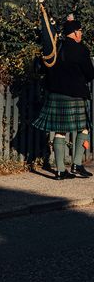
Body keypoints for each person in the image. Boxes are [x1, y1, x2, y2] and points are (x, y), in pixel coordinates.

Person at [33, 18, 94, 179]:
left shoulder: (55, 47)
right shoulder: (81, 50)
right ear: (74, 33)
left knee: (59, 131)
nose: (81, 33)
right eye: (80, 30)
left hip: (55, 94)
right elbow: (90, 74)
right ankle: (77, 164)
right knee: (84, 128)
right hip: (75, 94)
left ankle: (60, 170)